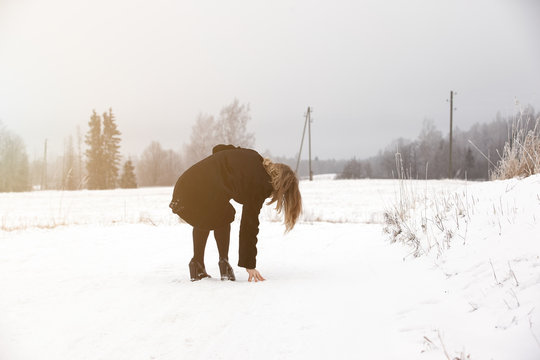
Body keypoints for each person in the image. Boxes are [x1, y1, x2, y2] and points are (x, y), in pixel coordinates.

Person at [169, 144, 302, 282]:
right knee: (223, 213)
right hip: (193, 192)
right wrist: (249, 264)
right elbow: (249, 226)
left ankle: (198, 264)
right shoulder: (260, 184)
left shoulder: (253, 156)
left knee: (214, 210)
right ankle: (222, 263)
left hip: (185, 185)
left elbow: (218, 149)